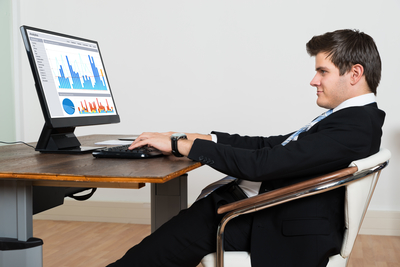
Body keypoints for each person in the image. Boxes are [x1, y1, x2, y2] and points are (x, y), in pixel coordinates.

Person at [107, 29, 385, 267]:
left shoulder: (355, 125)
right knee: (157, 248)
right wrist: (197, 137)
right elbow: (271, 145)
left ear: (354, 73)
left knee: (145, 258)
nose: (314, 81)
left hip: (268, 224)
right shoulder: (353, 118)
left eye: (323, 71)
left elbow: (262, 164)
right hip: (260, 211)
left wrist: (181, 146)